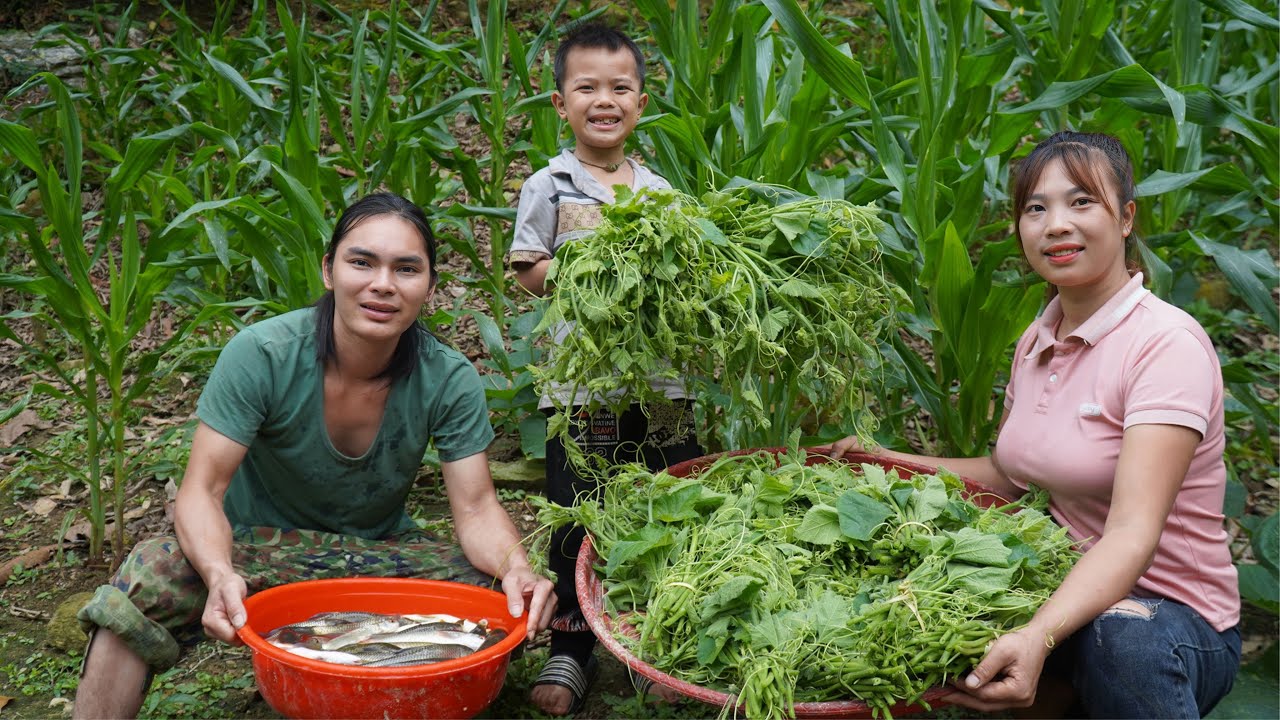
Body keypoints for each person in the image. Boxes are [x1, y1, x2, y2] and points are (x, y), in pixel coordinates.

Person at [72, 192, 556, 719]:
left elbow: (477, 507)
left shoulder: (448, 376)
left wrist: (517, 569)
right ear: (329, 270)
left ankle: (371, 692)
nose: (382, 284)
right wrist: (218, 573)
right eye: (362, 261)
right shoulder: (263, 354)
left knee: (494, 594)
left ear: (431, 288)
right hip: (256, 552)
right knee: (153, 570)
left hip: (378, 553)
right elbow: (201, 491)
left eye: (407, 269)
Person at [827, 131, 1240, 718]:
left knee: (1121, 641)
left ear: (1125, 218)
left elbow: (1132, 533)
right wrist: (879, 461)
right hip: (1065, 597)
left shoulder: (1164, 345)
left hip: (1168, 620)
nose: (1056, 225)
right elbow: (1008, 473)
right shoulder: (1038, 339)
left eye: (1081, 202)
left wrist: (1037, 634)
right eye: (1035, 208)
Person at [506, 22, 702, 716]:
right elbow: (527, 270)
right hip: (582, 382)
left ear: (641, 103)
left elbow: (683, 276)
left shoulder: (661, 193)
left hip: (662, 384)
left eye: (620, 87)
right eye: (587, 87)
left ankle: (653, 635)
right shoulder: (548, 184)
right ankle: (574, 641)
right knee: (578, 507)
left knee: (666, 495)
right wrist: (593, 268)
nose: (605, 99)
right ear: (561, 104)